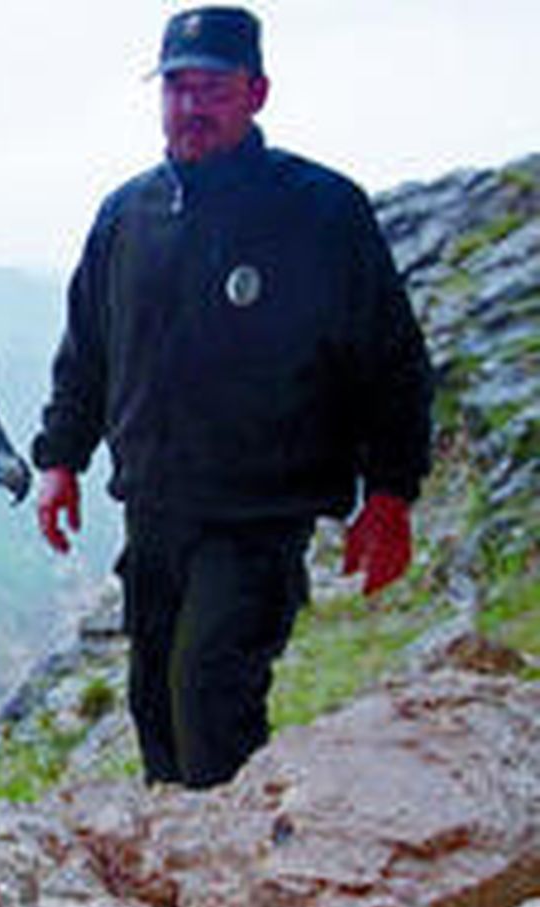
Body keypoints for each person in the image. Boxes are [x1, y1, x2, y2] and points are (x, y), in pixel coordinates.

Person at [30, 6, 432, 789]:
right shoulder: (127, 214)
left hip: (261, 513)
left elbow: (390, 360)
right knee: (154, 701)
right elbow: (87, 349)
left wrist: (390, 492)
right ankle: (188, 870)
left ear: (257, 92)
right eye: (177, 87)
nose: (190, 105)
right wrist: (60, 460)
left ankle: (237, 880)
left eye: (211, 87)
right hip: (156, 507)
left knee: (209, 690)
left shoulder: (321, 211)